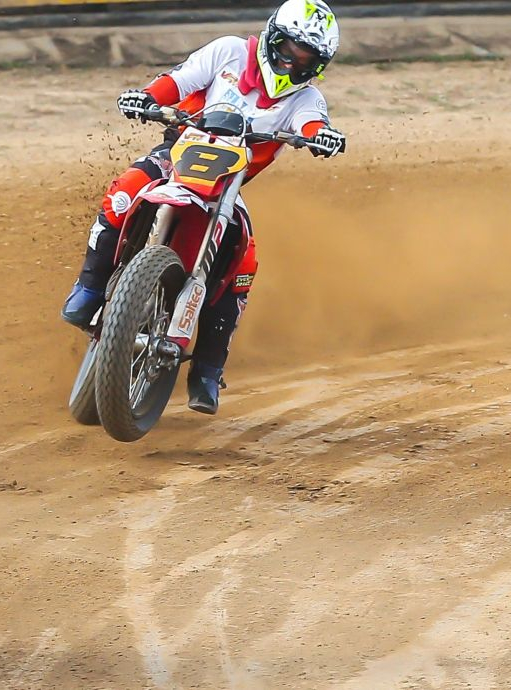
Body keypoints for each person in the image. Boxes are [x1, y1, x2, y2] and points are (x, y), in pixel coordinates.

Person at [61, 0, 347, 415]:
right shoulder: (229, 51)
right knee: (125, 191)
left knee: (243, 263)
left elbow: (313, 124)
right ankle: (89, 288)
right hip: (178, 153)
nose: (291, 65)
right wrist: (145, 98)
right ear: (272, 37)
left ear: (318, 66)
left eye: (305, 60)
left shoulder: (306, 99)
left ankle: (208, 370)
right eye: (287, 50)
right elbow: (177, 82)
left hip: (229, 185)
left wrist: (323, 136)